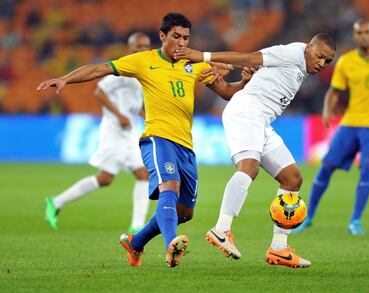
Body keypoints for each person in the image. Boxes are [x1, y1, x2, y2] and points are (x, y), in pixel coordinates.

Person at [37, 12, 254, 268]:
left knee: (185, 212)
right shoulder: (143, 61)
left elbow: (227, 92)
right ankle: (171, 244)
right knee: (169, 188)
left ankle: (135, 242)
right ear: (163, 36)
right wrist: (65, 79)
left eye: (186, 37)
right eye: (176, 36)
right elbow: (100, 68)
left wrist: (244, 82)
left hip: (185, 145)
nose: (182, 43)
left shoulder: (194, 64)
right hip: (157, 138)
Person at [174, 33, 336, 268]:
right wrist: (203, 56)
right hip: (247, 112)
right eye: (320, 56)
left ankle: (279, 248)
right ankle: (221, 229)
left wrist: (239, 75)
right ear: (308, 48)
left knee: (292, 179)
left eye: (328, 61)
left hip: (261, 120)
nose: (322, 63)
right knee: (249, 167)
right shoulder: (292, 53)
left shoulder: (301, 62)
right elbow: (249, 58)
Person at [294, 19, 369, 235]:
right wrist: (326, 110)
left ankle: (355, 222)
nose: (364, 36)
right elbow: (334, 91)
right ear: (355, 35)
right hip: (350, 122)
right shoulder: (346, 61)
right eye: (360, 33)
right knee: (326, 167)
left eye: (368, 32)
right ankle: (309, 216)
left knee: (368, 168)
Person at [44, 32, 152, 233]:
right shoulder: (124, 68)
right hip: (114, 131)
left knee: (140, 175)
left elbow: (133, 103)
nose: (142, 50)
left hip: (129, 131)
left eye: (146, 46)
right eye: (138, 46)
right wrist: (119, 115)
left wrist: (143, 114)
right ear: (130, 48)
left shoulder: (141, 73)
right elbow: (99, 92)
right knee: (107, 178)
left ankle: (136, 226)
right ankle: (56, 202)